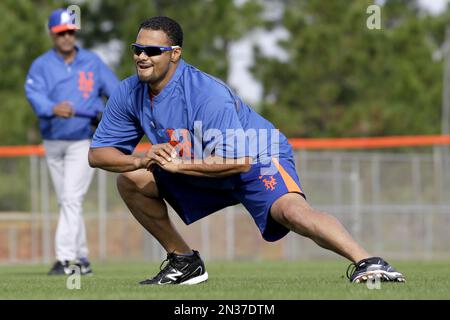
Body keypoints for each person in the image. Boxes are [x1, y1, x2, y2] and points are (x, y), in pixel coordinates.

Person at [88, 16, 405, 285]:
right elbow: (98, 154)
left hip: (256, 158)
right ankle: (185, 262)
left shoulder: (205, 93)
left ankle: (370, 263)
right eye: (138, 49)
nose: (142, 56)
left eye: (152, 50)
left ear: (174, 54)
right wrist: (140, 159)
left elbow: (238, 161)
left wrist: (178, 166)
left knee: (291, 212)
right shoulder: (128, 92)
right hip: (204, 165)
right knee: (130, 179)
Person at [25, 8, 120, 275]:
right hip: (53, 141)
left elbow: (117, 93)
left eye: (70, 32)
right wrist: (53, 107)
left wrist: (106, 115)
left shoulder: (92, 62)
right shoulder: (41, 65)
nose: (66, 37)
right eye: (60, 33)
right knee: (68, 201)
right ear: (52, 34)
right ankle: (82, 259)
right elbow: (34, 93)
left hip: (82, 141)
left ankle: (67, 261)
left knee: (70, 199)